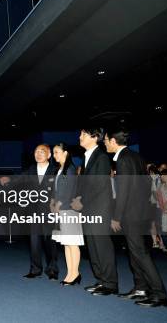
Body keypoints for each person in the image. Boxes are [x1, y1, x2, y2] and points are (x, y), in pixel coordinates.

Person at [104, 128, 167, 307]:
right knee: (135, 252)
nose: (104, 143)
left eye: (105, 140)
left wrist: (116, 217)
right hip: (140, 213)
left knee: (140, 253)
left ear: (112, 141)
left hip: (130, 215)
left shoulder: (123, 160)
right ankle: (141, 288)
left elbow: (123, 191)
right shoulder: (137, 157)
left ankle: (160, 294)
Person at [0, 144, 59, 280]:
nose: (38, 154)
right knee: (34, 242)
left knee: (50, 243)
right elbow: (19, 178)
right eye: (36, 151)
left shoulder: (55, 171)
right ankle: (35, 270)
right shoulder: (31, 170)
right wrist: (9, 179)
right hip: (33, 212)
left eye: (42, 151)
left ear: (49, 155)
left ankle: (52, 270)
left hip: (50, 212)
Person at [71, 126, 118, 296]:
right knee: (92, 247)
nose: (79, 137)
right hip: (88, 210)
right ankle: (101, 280)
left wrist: (80, 202)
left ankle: (110, 283)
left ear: (94, 136)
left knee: (102, 246)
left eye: (82, 134)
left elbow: (98, 186)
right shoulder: (87, 158)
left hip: (99, 210)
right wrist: (77, 199)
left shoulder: (102, 157)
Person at [49, 143, 82, 285]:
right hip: (61, 210)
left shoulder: (70, 169)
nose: (54, 155)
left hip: (69, 210)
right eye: (54, 152)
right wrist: (53, 203)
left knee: (73, 243)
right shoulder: (60, 169)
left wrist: (59, 204)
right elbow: (56, 190)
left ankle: (75, 273)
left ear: (65, 153)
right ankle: (70, 273)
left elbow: (68, 191)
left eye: (56, 152)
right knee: (67, 243)